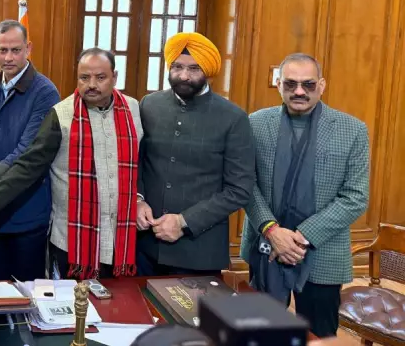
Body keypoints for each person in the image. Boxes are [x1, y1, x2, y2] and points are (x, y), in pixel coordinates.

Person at [0, 48, 143, 279]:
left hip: (122, 239)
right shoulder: (61, 115)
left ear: (114, 77)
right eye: (84, 78)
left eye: (101, 77)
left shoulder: (133, 110)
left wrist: (140, 199)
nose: (92, 85)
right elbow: (26, 168)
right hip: (72, 242)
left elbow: (142, 163)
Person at [240, 53, 369, 338]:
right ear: (279, 84)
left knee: (319, 336)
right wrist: (273, 232)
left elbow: (355, 197)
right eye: (291, 84)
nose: (299, 91)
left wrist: (299, 237)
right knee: (261, 333)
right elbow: (246, 183)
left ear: (321, 85)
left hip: (323, 252)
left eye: (308, 84)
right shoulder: (255, 123)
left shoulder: (353, 130)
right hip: (266, 245)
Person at [136, 32, 254, 276]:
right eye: (177, 67)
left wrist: (183, 222)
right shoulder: (149, 105)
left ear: (208, 70)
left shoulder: (233, 118)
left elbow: (239, 190)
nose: (184, 76)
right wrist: (137, 200)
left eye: (194, 68)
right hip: (144, 246)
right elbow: (136, 163)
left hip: (198, 252)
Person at [0, 20, 60, 281]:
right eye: (3, 50)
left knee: (27, 293)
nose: (8, 58)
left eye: (16, 50)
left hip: (27, 212)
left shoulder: (45, 92)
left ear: (28, 49)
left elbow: (27, 152)